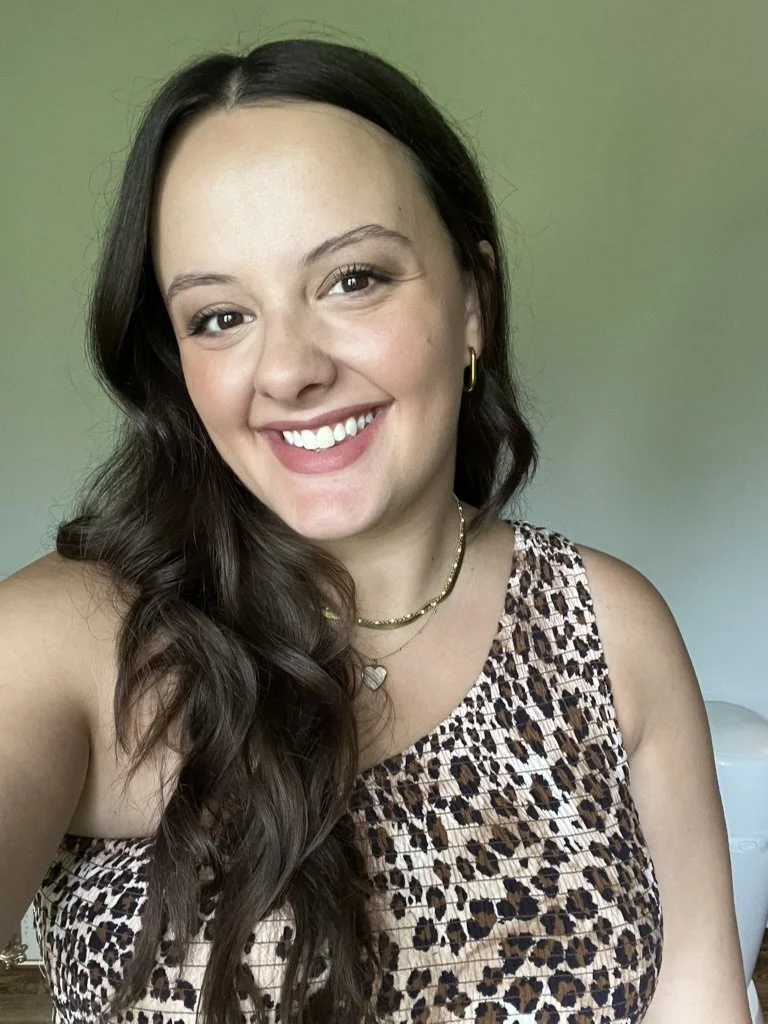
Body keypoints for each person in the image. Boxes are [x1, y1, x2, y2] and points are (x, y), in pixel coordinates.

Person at [0, 37, 750, 1024]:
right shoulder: (71, 638)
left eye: (352, 279)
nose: (288, 370)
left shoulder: (609, 628)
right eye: (220, 317)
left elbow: (698, 993)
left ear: (474, 300)